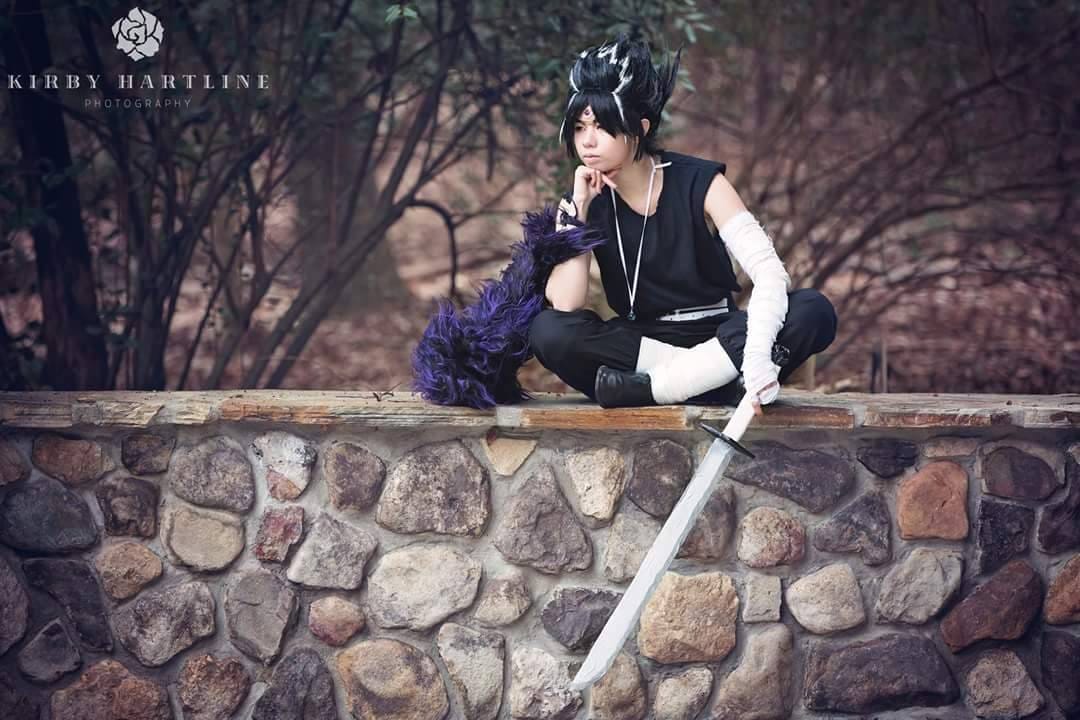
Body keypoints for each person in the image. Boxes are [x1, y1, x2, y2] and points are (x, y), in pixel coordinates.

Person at [528, 34, 839, 414]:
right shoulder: (583, 201)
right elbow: (566, 303)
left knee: (813, 310)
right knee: (548, 331)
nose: (587, 142)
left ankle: (657, 388)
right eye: (579, 127)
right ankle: (714, 383)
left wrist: (757, 355)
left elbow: (769, 273)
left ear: (640, 128)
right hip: (642, 344)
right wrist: (577, 209)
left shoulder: (700, 181)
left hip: (719, 333)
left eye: (602, 127)